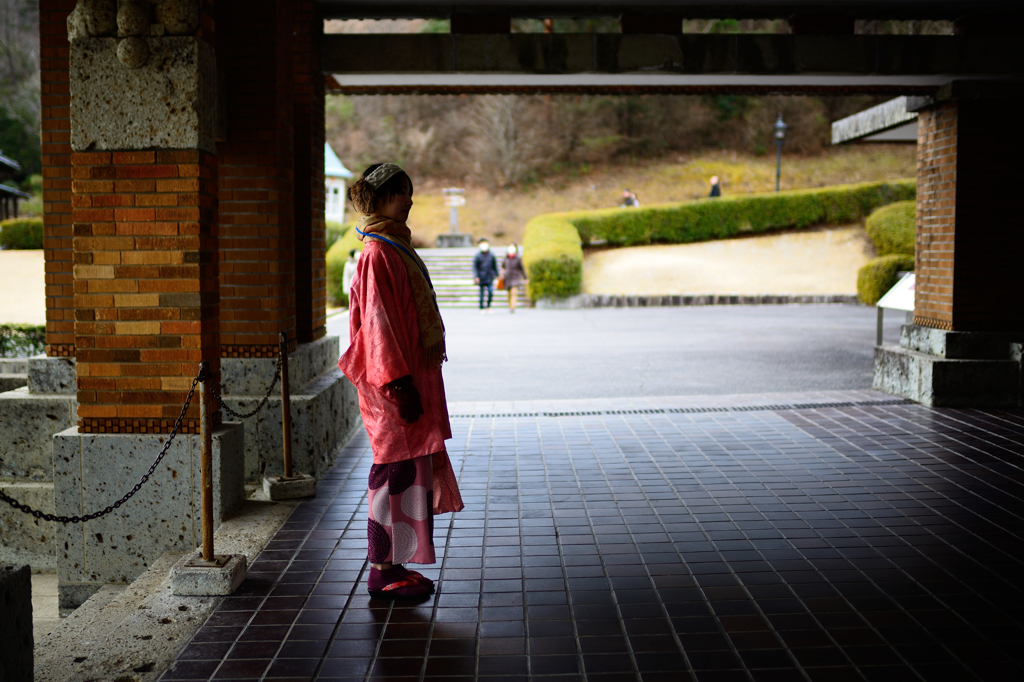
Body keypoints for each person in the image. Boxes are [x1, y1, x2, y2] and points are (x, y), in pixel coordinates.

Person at [338, 162, 464, 599]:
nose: (410, 200)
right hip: (393, 386)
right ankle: (381, 571)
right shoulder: (378, 253)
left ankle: (395, 565)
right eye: (402, 193)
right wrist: (398, 385)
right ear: (383, 198)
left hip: (406, 381)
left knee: (406, 473)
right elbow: (377, 326)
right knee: (391, 473)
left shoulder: (392, 247)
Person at [472, 238, 499, 312]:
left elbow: (494, 266)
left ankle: (488, 305)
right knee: (481, 294)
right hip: (481, 277)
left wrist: (497, 275)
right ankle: (481, 307)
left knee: (490, 292)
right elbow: (475, 267)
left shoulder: (491, 255)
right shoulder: (477, 256)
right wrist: (476, 276)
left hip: (489, 277)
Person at [502, 243, 528, 313]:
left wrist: (525, 278)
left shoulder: (518, 258)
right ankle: (510, 305)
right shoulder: (506, 258)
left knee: (514, 292)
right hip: (507, 278)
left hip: (515, 277)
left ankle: (513, 306)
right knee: (509, 293)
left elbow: (522, 268)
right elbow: (503, 267)